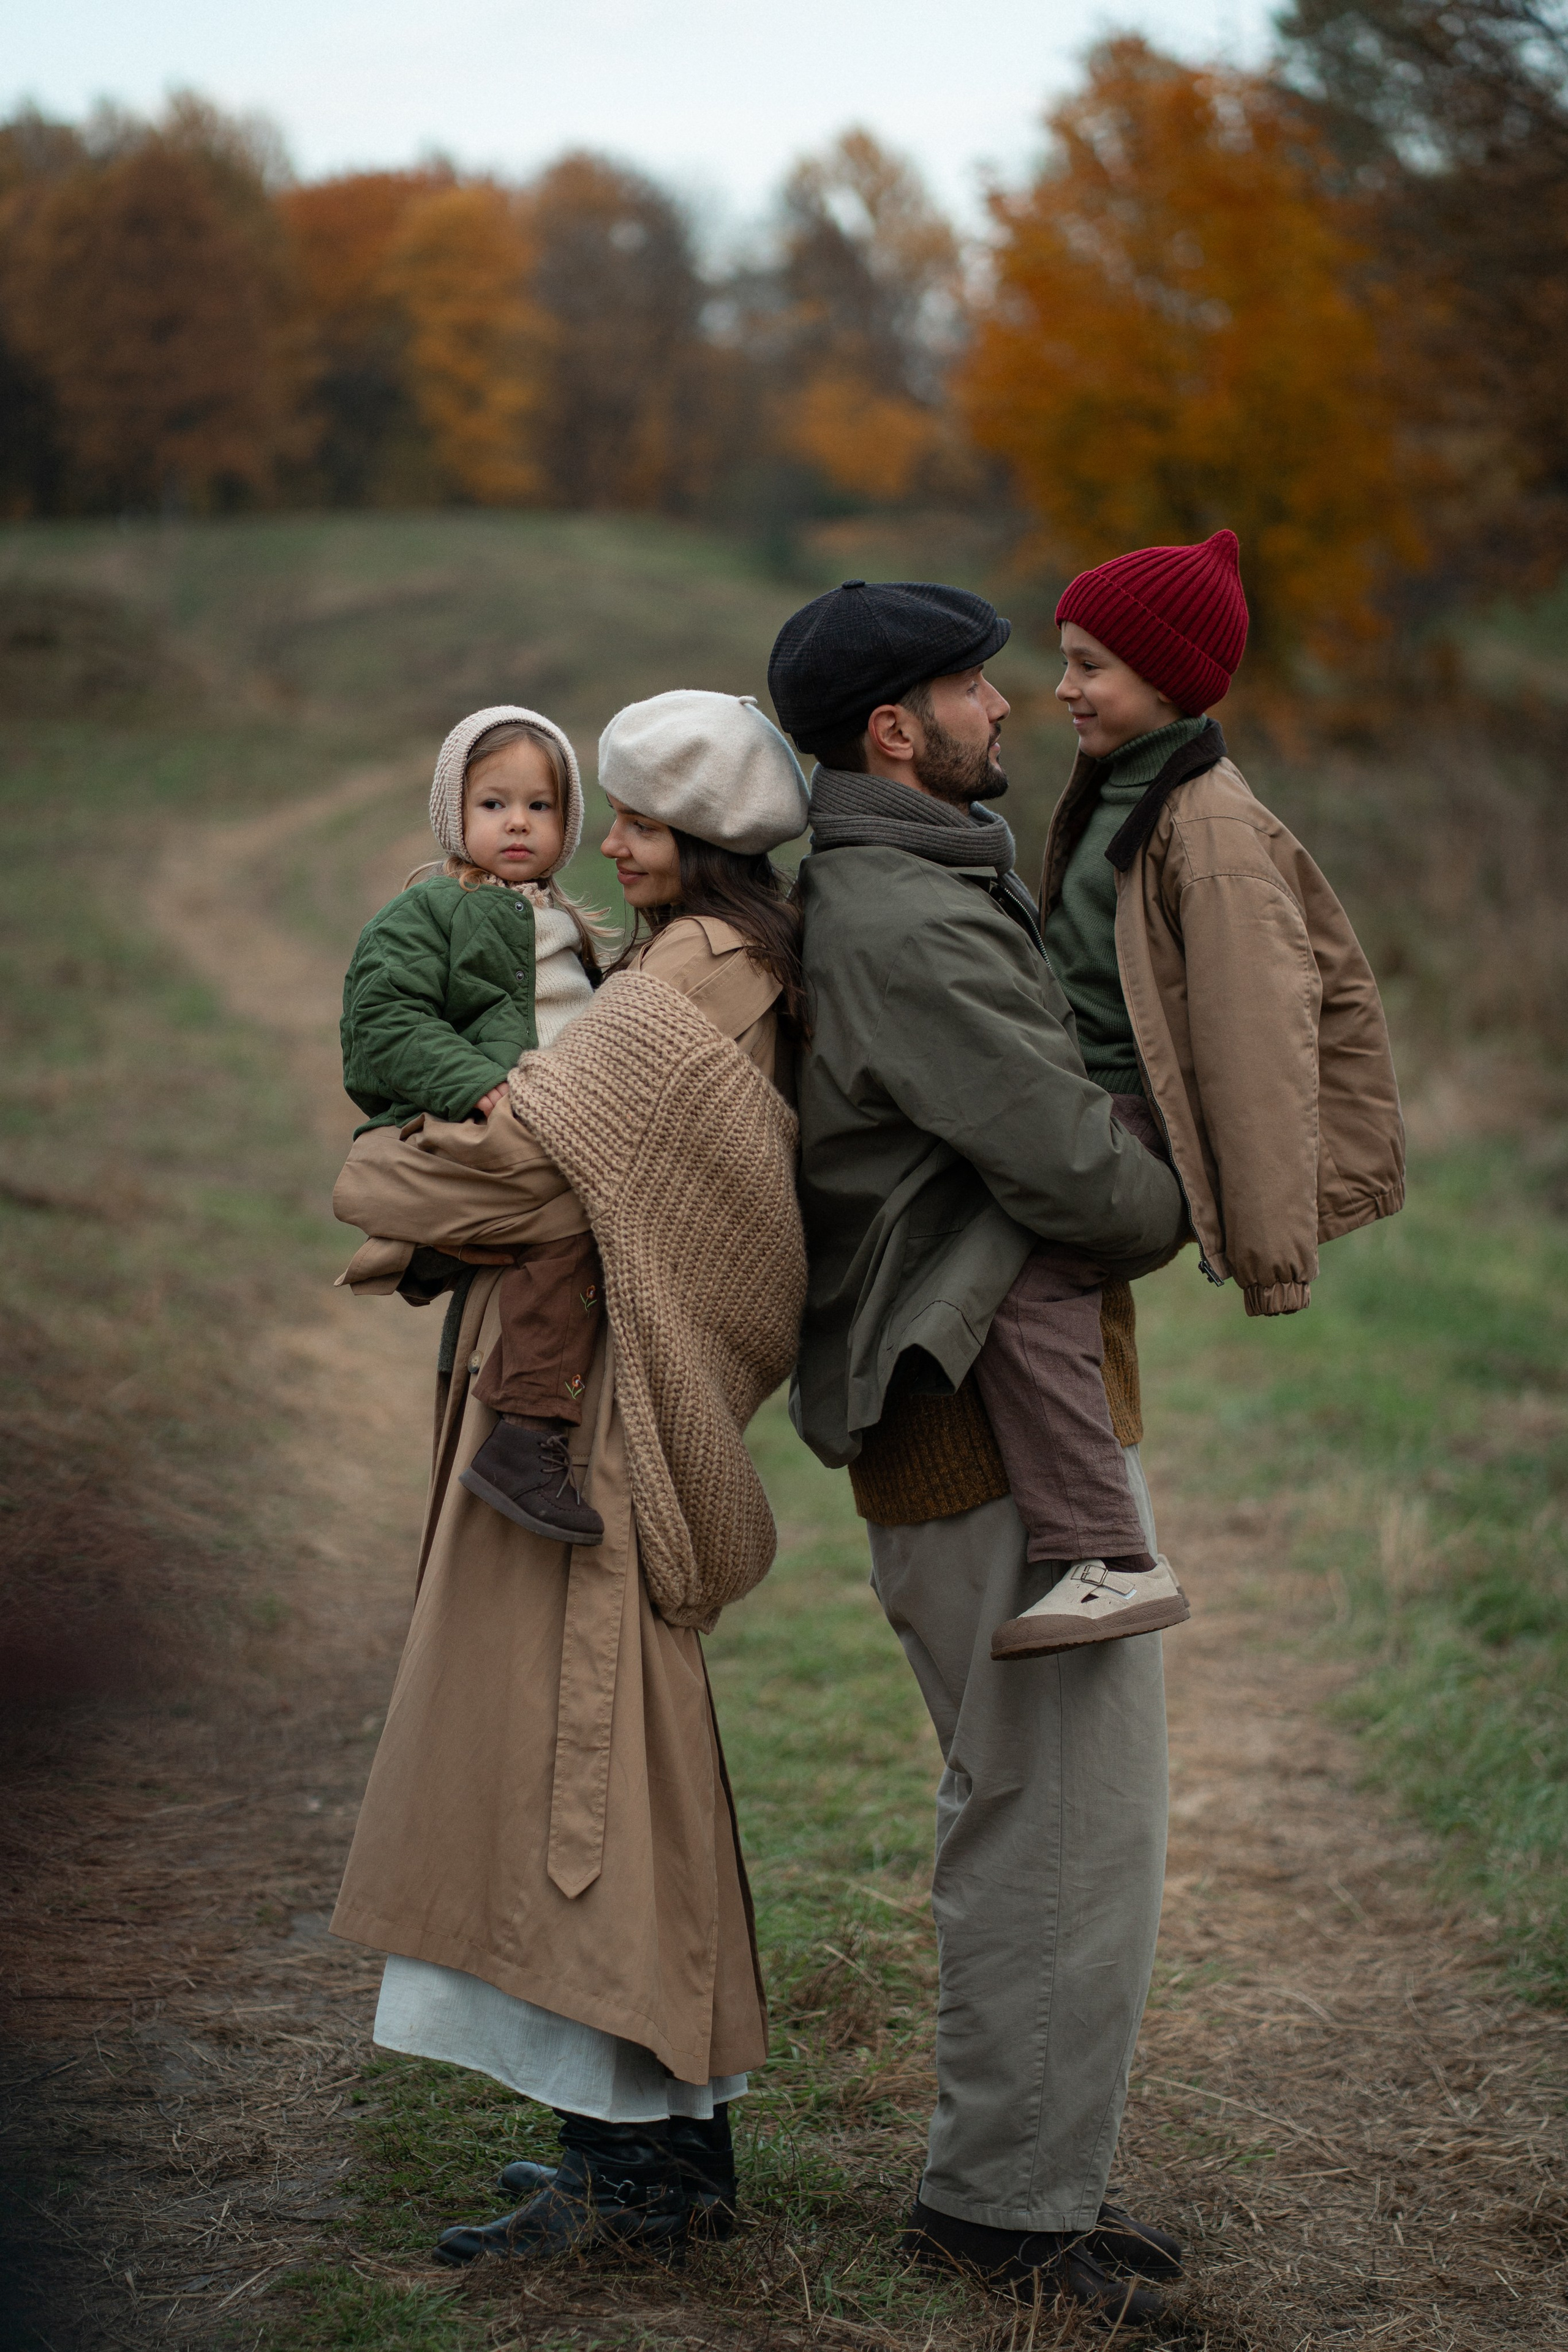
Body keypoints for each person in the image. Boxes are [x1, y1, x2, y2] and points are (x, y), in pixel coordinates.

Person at [327, 689, 810, 2266]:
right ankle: (641, 2154)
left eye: (637, 821)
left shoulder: (701, 973)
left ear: (708, 838)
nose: (602, 844)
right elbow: (539, 1157)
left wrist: (373, 1180)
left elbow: (515, 1162)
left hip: (597, 1418)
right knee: (574, 1759)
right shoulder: (662, 960)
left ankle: (642, 2176)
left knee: (588, 1766)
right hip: (565, 1384)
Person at [771, 578, 1189, 2330]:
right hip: (974, 1438)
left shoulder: (925, 880)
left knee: (1052, 1807)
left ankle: (1012, 2188)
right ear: (894, 733)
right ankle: (1005, 2220)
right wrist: (1188, 1192)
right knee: (1058, 1821)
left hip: (996, 1416)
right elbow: (1076, 1172)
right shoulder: (903, 919)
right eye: (972, 687)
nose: (1006, 708)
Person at [996, 528, 1403, 1657]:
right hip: (1089, 1103)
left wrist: (1274, 1249)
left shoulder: (1206, 825)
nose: (1064, 686)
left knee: (1028, 1278)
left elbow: (1256, 1037)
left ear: (1165, 678)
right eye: (1067, 659)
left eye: (1090, 666)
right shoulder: (1127, 783)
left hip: (1138, 1124)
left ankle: (1109, 1557)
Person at [340, 704, 609, 1548]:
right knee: (570, 1224)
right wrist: (475, 1081)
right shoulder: (428, 912)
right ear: (454, 811)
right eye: (495, 804)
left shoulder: (569, 925)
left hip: (552, 1123)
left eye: (541, 805)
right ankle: (525, 1435)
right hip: (475, 1123)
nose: (518, 823)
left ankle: (454, 1257)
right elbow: (382, 1023)